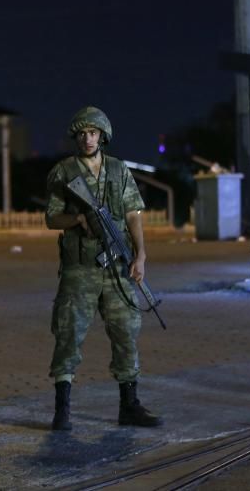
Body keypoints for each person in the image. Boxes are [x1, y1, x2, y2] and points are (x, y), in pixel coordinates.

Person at [45, 106, 162, 431]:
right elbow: (51, 217)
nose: (87, 139)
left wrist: (140, 255)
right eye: (82, 133)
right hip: (79, 267)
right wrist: (79, 219)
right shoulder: (64, 172)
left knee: (126, 331)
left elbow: (133, 213)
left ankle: (130, 406)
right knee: (68, 334)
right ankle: (62, 410)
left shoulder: (117, 170)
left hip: (117, 267)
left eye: (93, 133)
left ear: (103, 136)